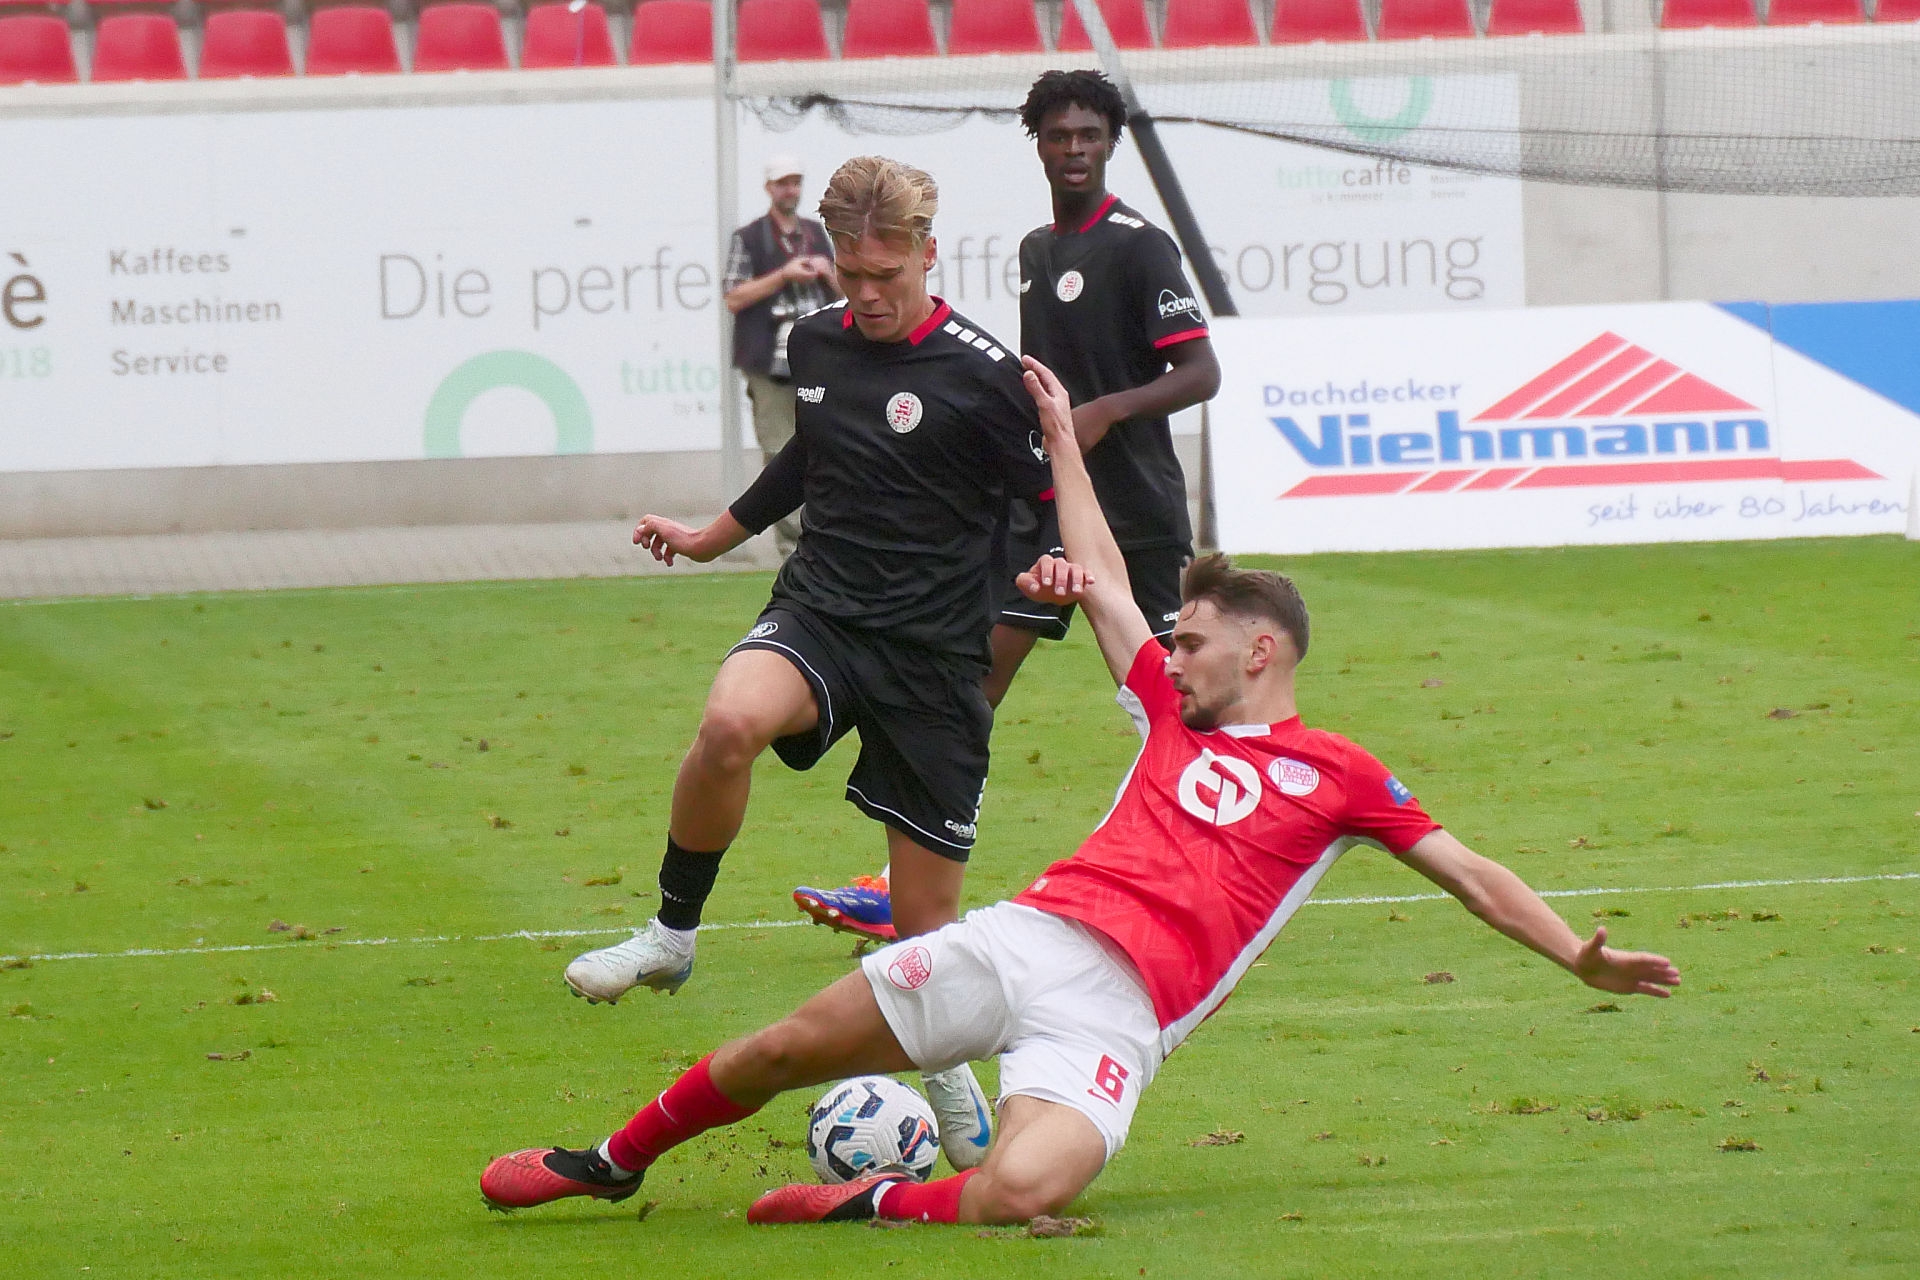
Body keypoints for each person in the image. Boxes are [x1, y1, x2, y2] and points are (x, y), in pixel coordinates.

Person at [480, 356, 1682, 1228]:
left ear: (1260, 650)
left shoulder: (1342, 774)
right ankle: (611, 1159)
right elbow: (1100, 575)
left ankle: (869, 1199)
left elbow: (1471, 874)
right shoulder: (1167, 703)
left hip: (1120, 1021)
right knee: (781, 1047)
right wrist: (1061, 438)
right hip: (1032, 936)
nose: (1174, 653)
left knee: (1022, 1187)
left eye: (1195, 639)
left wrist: (1575, 956)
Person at [558, 155, 1055, 1169]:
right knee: (729, 722)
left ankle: (945, 1070)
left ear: (927, 253)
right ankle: (672, 935)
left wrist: (1044, 584)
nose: (865, 295)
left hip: (932, 657)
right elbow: (808, 456)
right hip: (825, 611)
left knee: (924, 934)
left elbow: (1047, 509)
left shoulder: (986, 374)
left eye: (886, 275)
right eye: (850, 272)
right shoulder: (815, 340)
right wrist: (713, 536)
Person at [791, 69, 1222, 940]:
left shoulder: (1141, 247)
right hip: (1038, 510)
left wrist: (1101, 413)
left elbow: (1201, 371)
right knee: (963, 683)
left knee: (1176, 697)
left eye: (1089, 135)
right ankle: (901, 879)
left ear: (1111, 142)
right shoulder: (1036, 250)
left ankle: (1222, 862)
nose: (1074, 149)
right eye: (1058, 136)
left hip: (1131, 516)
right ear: (1039, 144)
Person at [722, 155, 839, 557]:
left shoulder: (816, 233)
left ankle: (820, 540)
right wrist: (783, 275)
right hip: (767, 361)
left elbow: (849, 292)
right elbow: (733, 296)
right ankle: (793, 548)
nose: (790, 190)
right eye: (783, 183)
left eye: (795, 182)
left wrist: (827, 273)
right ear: (769, 188)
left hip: (817, 358)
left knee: (824, 450)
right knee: (778, 451)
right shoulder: (749, 237)